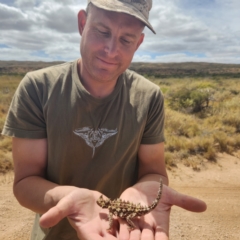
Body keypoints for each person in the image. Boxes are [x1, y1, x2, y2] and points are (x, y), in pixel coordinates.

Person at [2, 0, 207, 239]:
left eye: (126, 39)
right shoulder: (37, 88)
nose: (111, 50)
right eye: (102, 31)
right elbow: (25, 182)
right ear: (82, 23)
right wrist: (69, 199)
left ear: (139, 43)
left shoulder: (149, 96)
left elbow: (154, 170)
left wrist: (146, 191)